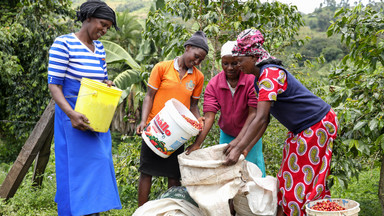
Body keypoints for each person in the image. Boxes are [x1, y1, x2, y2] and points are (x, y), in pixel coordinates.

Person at [223, 29, 338, 216]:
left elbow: (260, 118)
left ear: (253, 57)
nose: (237, 66)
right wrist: (240, 146)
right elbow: (265, 120)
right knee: (285, 179)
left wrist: (237, 150)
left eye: (240, 61)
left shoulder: (270, 75)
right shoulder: (258, 80)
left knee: (302, 183)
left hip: (317, 124)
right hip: (301, 129)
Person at [47, 0, 122, 215]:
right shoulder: (64, 44)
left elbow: (101, 79)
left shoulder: (99, 48)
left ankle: (93, 211)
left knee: (101, 163)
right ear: (88, 18)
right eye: (102, 24)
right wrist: (71, 114)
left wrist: (107, 84)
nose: (105, 30)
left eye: (108, 27)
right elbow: (54, 85)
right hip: (73, 117)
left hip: (95, 117)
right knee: (76, 169)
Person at [135, 31, 208, 206]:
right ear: (187, 48)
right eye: (196, 56)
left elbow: (193, 106)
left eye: (200, 60)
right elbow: (149, 96)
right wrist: (143, 121)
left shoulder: (198, 77)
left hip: (177, 132)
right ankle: (140, 211)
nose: (197, 62)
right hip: (156, 128)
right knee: (146, 172)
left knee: (174, 175)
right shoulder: (162, 67)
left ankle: (170, 210)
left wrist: (198, 120)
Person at [186, 41, 266, 177]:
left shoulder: (251, 81)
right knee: (227, 174)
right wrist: (197, 143)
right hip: (227, 134)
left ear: (240, 62)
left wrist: (244, 147)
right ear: (221, 63)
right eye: (225, 64)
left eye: (234, 63)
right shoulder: (214, 84)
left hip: (250, 133)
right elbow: (209, 116)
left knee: (252, 173)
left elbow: (253, 114)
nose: (230, 68)